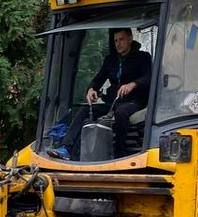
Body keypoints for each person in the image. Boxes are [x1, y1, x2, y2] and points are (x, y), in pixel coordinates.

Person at [49, 28, 152, 160]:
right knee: (85, 110)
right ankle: (66, 148)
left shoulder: (143, 57)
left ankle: (119, 153)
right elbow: (98, 79)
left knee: (121, 113)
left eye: (121, 39)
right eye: (115, 41)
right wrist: (91, 89)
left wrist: (133, 84)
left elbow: (149, 77)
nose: (118, 44)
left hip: (134, 101)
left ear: (130, 39)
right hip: (113, 101)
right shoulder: (111, 60)